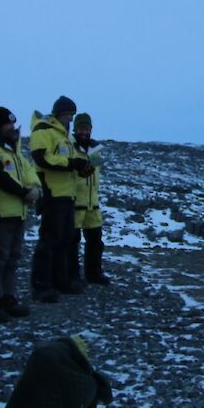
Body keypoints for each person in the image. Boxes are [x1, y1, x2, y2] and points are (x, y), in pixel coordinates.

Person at [0, 107, 40, 322]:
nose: (11, 128)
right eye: (6, 124)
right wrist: (24, 192)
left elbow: (28, 171)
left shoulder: (12, 151)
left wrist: (34, 188)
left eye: (13, 124)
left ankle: (8, 297)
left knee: (12, 259)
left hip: (17, 213)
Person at [29, 97, 85, 300]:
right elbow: (42, 158)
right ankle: (41, 284)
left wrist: (80, 166)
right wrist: (71, 163)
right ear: (60, 114)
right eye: (69, 115)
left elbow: (64, 160)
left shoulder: (64, 136)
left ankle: (60, 280)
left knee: (64, 240)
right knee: (49, 240)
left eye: (72, 116)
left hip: (67, 195)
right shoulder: (43, 131)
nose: (70, 119)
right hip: (53, 194)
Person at [71, 112, 111, 285]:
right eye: (81, 128)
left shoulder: (95, 148)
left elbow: (96, 171)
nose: (84, 132)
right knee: (72, 242)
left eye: (87, 129)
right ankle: (72, 276)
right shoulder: (70, 146)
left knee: (95, 241)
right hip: (75, 202)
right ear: (75, 129)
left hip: (92, 203)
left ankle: (93, 273)